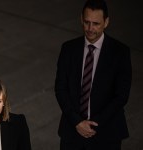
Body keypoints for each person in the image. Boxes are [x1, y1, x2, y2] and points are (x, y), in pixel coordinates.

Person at [54, 0, 132, 149]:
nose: (90, 29)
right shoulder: (68, 49)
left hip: (107, 133)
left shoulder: (120, 53)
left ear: (106, 22)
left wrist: (93, 125)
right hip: (72, 130)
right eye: (86, 22)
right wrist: (77, 122)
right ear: (81, 19)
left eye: (96, 23)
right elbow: (60, 88)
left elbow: (121, 96)